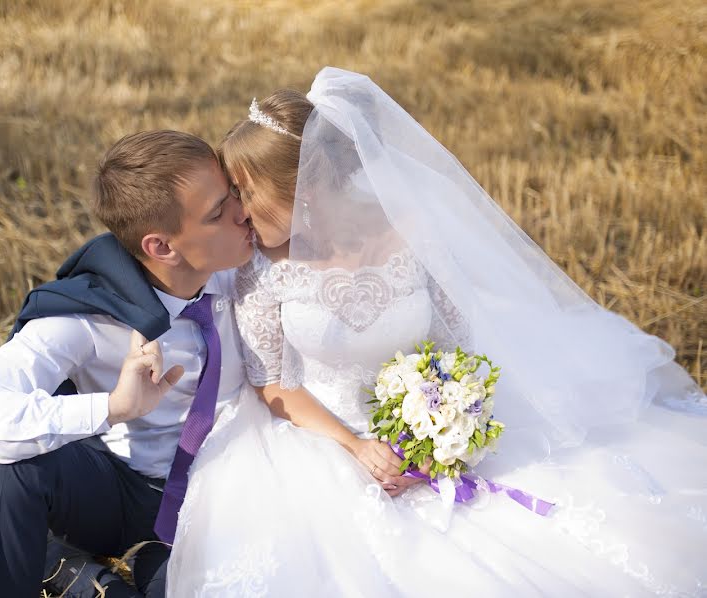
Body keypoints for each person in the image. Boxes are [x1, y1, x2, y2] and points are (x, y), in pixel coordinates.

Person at [167, 68, 707, 596]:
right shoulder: (255, 264)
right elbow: (271, 383)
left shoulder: (406, 227)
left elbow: (459, 342)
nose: (235, 209)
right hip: (318, 439)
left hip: (421, 422)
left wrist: (437, 438)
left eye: (243, 190)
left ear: (301, 188)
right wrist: (355, 445)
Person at [0, 130, 254, 597]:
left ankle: (85, 578)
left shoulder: (248, 267)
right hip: (119, 495)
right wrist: (112, 407)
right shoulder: (87, 318)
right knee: (18, 464)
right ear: (161, 246)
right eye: (217, 212)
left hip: (220, 501)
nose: (242, 212)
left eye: (233, 195)